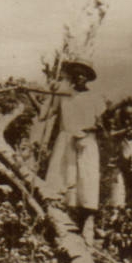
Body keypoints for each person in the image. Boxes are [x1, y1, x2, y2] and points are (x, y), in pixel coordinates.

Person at [42, 58, 103, 245]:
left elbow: (101, 126)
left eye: (83, 74)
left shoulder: (95, 98)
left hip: (86, 141)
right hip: (65, 141)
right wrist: (50, 94)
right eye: (76, 73)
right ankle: (59, 231)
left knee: (87, 184)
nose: (79, 77)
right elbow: (43, 115)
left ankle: (87, 233)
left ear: (88, 78)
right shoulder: (63, 95)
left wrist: (87, 130)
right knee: (61, 183)